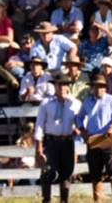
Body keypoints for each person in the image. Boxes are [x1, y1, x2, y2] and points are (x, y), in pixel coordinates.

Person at [76, 75, 112, 203]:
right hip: (93, 139)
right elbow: (79, 117)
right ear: (92, 88)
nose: (98, 89)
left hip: (108, 139)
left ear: (105, 88)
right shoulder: (86, 102)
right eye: (96, 86)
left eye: (101, 86)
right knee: (95, 171)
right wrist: (83, 131)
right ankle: (97, 199)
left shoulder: (111, 100)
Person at [35, 74, 82, 203]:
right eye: (59, 84)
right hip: (51, 141)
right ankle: (46, 199)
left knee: (66, 172)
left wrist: (78, 129)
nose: (62, 87)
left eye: (64, 84)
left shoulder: (75, 103)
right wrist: (38, 145)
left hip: (67, 141)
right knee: (48, 171)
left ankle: (64, 200)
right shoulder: (46, 102)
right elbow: (39, 124)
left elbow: (83, 118)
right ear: (55, 86)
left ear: (68, 87)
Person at [0, 34, 35, 104]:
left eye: (27, 43)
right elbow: (12, 61)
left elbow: (33, 64)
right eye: (23, 44)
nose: (25, 46)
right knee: (0, 69)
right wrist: (10, 63)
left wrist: (19, 63)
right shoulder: (20, 52)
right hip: (20, 73)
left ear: (32, 43)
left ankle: (12, 80)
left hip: (30, 72)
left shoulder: (35, 51)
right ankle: (12, 80)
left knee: (13, 73)